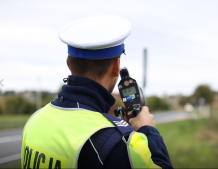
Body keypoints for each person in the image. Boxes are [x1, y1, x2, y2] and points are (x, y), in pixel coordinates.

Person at [21, 15, 173, 169]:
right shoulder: (115, 144)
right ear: (116, 67)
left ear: (69, 64)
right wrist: (148, 130)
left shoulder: (34, 121)